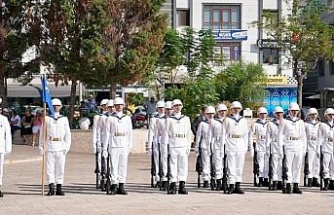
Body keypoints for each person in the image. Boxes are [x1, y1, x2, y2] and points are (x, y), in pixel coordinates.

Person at [39, 98, 71, 196]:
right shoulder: (47, 118)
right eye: (53, 106)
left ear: (61, 107)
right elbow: (42, 133)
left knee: (60, 168)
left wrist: (67, 146)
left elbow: (68, 134)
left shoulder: (64, 119)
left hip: (61, 146)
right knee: (50, 168)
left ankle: (59, 187)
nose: (55, 107)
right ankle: (51, 187)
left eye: (57, 105)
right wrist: (41, 146)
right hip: (50, 145)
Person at [103, 97, 132, 195]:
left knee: (123, 166)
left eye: (121, 105)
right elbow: (106, 134)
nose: (119, 107)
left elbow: (129, 133)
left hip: (123, 144)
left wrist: (129, 146)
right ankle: (114, 185)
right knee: (114, 166)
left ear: (124, 106)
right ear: (114, 106)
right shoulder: (110, 118)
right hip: (114, 144)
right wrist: (104, 149)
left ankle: (121, 185)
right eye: (117, 105)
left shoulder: (127, 118)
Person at [162, 99, 191, 195]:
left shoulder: (186, 118)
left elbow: (188, 133)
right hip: (173, 143)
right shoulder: (169, 119)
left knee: (183, 165)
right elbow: (165, 134)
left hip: (183, 143)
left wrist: (188, 145)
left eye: (179, 105)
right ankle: (173, 184)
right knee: (173, 165)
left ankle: (182, 184)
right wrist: (165, 146)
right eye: (175, 105)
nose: (178, 107)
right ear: (173, 107)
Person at [222, 101, 250, 194]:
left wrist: (246, 146)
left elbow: (246, 134)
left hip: (240, 144)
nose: (236, 110)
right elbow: (223, 134)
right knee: (231, 166)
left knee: (239, 166)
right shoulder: (227, 120)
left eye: (238, 108)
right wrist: (223, 146)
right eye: (234, 108)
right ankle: (231, 185)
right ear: (231, 109)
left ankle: (238, 185)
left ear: (240, 109)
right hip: (231, 143)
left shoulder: (244, 120)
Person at [278, 102, 306, 194]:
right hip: (289, 144)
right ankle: (288, 184)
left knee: (297, 166)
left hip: (298, 144)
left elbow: (303, 136)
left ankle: (296, 185)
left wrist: (304, 148)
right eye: (292, 111)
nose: (294, 112)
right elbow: (280, 135)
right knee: (288, 166)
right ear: (289, 111)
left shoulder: (301, 122)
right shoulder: (284, 121)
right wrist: (280, 147)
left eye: (296, 111)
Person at [195, 106, 215, 188]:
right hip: (205, 144)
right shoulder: (202, 124)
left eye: (212, 114)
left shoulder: (217, 123)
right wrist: (197, 147)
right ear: (205, 114)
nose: (210, 115)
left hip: (214, 144)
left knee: (215, 162)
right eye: (208, 114)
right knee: (205, 162)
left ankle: (215, 178)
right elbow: (198, 136)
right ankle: (206, 179)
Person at [155, 101, 173, 190]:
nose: (169, 111)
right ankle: (165, 180)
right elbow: (157, 134)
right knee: (164, 161)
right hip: (163, 142)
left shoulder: (176, 120)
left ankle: (173, 180)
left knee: (173, 162)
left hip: (174, 143)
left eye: (170, 109)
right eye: (167, 109)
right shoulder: (160, 120)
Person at [265, 106, 285, 190]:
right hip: (274, 144)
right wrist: (267, 147)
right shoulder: (270, 124)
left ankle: (281, 181)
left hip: (283, 145)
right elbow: (268, 136)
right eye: (277, 113)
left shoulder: (286, 122)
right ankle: (275, 181)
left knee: (282, 164)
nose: (279, 115)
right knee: (274, 164)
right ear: (275, 114)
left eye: (281, 113)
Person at [249, 107, 269, 187]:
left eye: (264, 114)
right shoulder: (255, 124)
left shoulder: (269, 124)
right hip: (259, 145)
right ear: (258, 114)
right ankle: (260, 179)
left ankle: (266, 179)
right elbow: (250, 135)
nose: (263, 115)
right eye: (261, 114)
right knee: (260, 164)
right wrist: (251, 146)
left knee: (267, 163)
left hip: (267, 145)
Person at [147, 100, 165, 188]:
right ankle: (157, 179)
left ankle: (165, 178)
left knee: (164, 161)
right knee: (157, 162)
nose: (161, 109)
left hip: (166, 142)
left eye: (163, 108)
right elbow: (151, 133)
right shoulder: (154, 119)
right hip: (156, 141)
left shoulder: (168, 118)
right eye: (160, 108)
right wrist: (149, 146)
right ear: (157, 108)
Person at [211, 103, 228, 190]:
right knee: (218, 164)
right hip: (217, 143)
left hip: (227, 144)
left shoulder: (229, 121)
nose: (223, 112)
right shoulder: (214, 122)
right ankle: (218, 181)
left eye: (224, 111)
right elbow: (211, 135)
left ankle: (226, 182)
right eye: (221, 111)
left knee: (227, 164)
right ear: (217, 112)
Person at [304, 108, 321, 187]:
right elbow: (304, 136)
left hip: (317, 145)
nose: (313, 116)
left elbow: (321, 136)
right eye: (311, 114)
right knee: (310, 163)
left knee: (317, 163)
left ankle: (315, 178)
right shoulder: (306, 124)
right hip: (309, 145)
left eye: (314, 114)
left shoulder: (319, 124)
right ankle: (310, 179)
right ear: (309, 115)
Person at [319, 108, 334, 190]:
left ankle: (332, 180)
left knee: (333, 164)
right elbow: (320, 137)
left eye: (332, 115)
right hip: (326, 145)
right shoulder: (323, 125)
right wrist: (319, 147)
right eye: (329, 115)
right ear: (326, 116)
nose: (331, 116)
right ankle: (326, 180)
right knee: (325, 165)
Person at [0, 98, 12, 197]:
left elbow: (7, 134)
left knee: (0, 169)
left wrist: (8, 148)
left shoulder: (3, 119)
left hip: (0, 147)